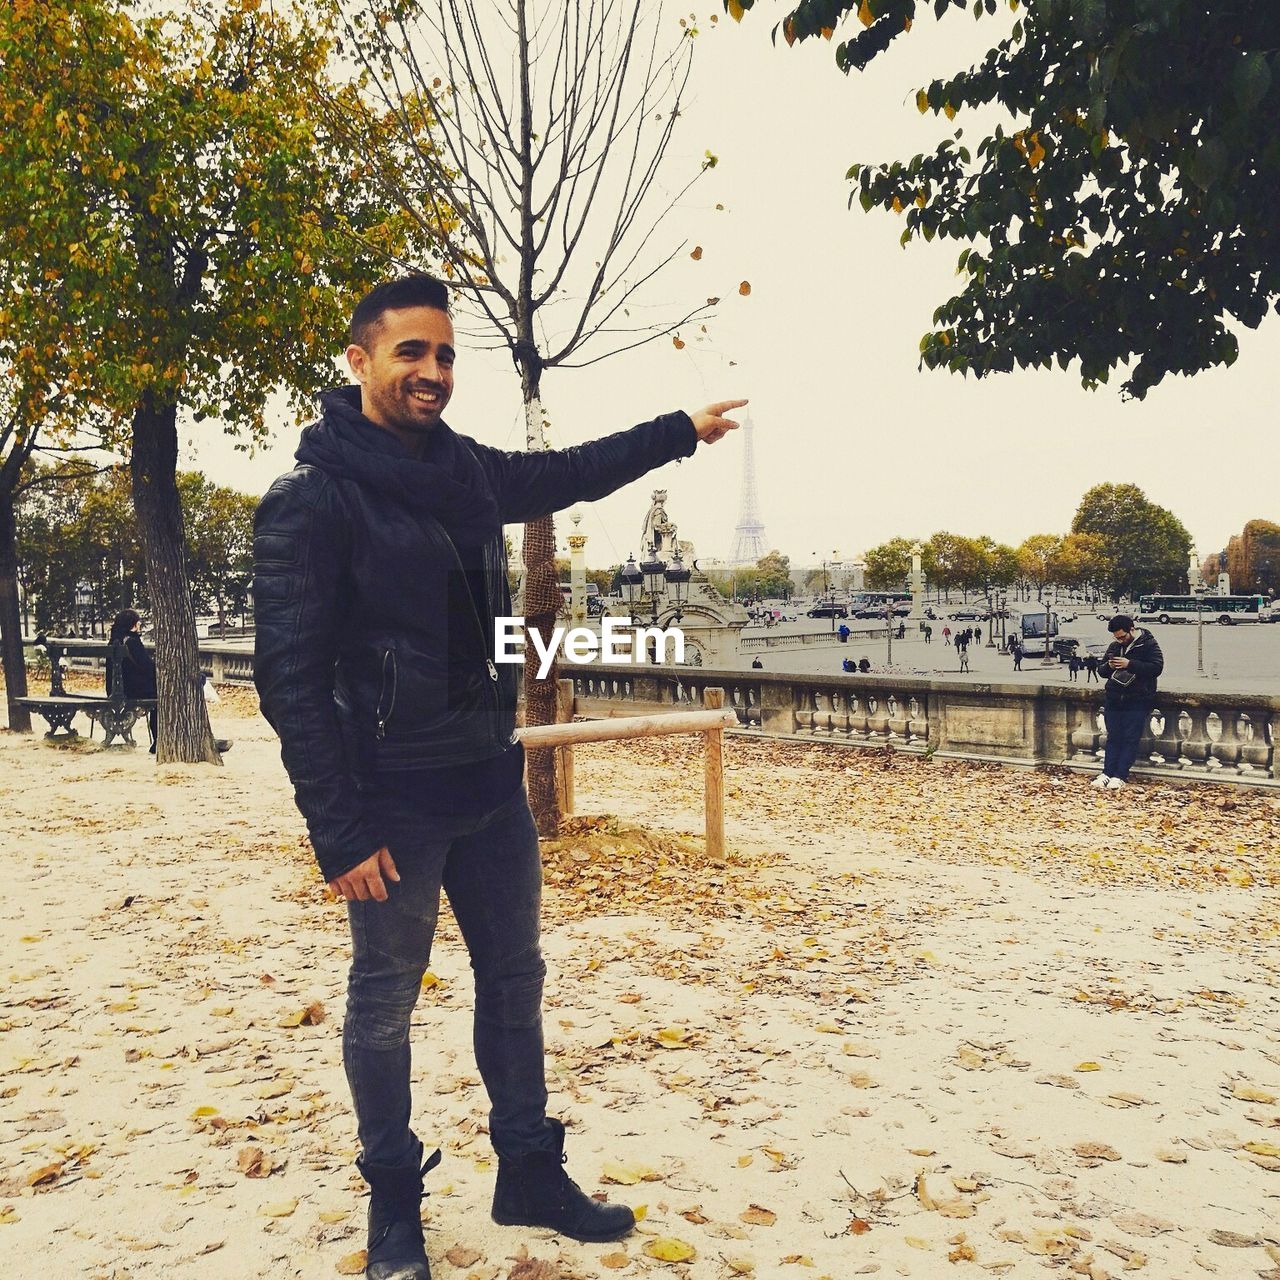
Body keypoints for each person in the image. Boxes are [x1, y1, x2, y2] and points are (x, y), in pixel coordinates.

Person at [253, 274, 744, 1280]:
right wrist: (335, 830)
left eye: (444, 355)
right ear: (357, 361)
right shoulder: (312, 500)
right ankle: (394, 1203)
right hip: (390, 797)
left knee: (514, 983)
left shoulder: (465, 471)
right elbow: (289, 682)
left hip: (487, 786)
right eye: (410, 353)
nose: (432, 371)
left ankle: (526, 1170)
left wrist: (678, 430)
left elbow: (566, 470)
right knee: (383, 1003)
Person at [1093, 614, 1164, 791]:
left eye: (1123, 637)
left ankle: (1120, 775)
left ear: (1132, 629)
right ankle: (1107, 773)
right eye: (1117, 638)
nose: (1120, 640)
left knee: (1130, 738)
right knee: (1113, 737)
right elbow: (1101, 671)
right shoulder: (1115, 646)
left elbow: (1157, 667)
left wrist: (1129, 664)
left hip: (1137, 699)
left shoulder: (1148, 643)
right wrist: (1109, 666)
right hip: (1114, 698)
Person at [108, 609, 158, 752]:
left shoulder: (113, 641)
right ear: (134, 624)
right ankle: (158, 740)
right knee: (161, 697)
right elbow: (147, 667)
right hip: (133, 691)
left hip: (115, 690)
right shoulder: (132, 641)